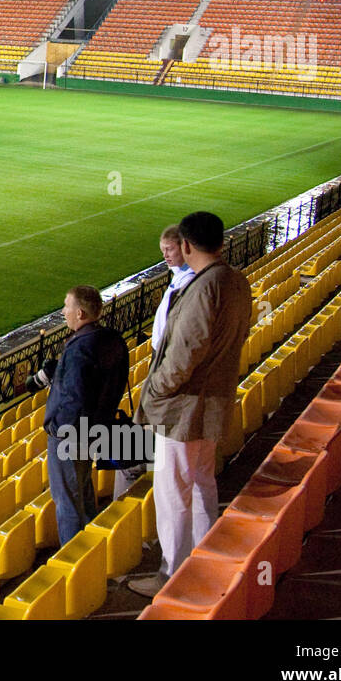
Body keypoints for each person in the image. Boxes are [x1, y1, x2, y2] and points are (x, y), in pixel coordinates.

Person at [128, 211, 251, 597]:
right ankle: (202, 558)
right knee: (201, 484)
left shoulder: (204, 287)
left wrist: (156, 392)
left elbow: (185, 354)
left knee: (173, 492)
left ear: (185, 245)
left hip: (185, 410)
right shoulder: (235, 281)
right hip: (212, 403)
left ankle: (173, 574)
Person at [113, 225, 198, 500]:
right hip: (164, 367)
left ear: (185, 247)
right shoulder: (181, 278)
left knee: (132, 454)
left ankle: (130, 509)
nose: (165, 256)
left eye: (169, 249)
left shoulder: (190, 283)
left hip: (167, 371)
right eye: (162, 251)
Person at [44, 285, 130, 546]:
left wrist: (58, 428)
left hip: (70, 436)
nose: (63, 311)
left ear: (80, 313)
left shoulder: (81, 347)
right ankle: (93, 545)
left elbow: (75, 397)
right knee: (83, 489)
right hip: (95, 429)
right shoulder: (112, 338)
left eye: (67, 306)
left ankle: (74, 563)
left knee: (68, 501)